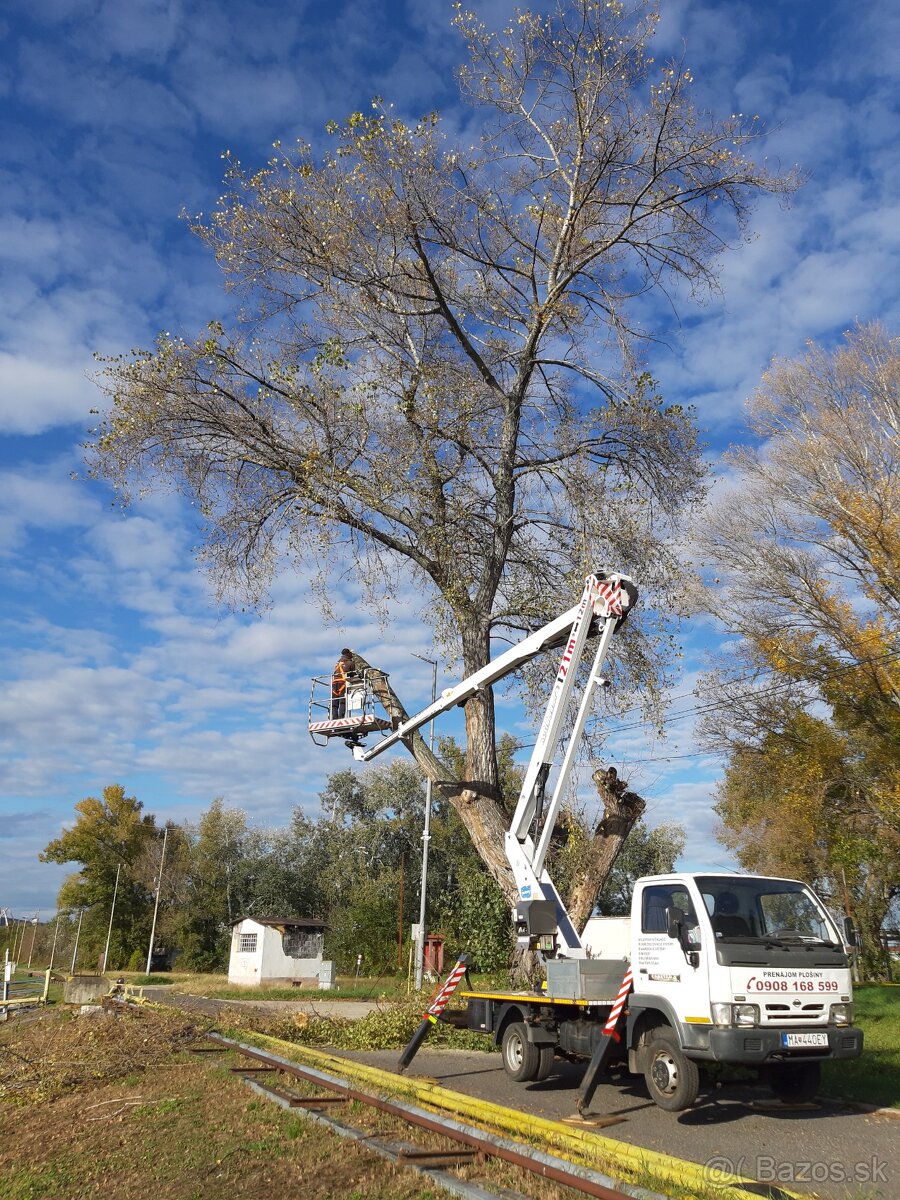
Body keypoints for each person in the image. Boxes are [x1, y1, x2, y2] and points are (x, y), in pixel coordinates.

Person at [331, 648, 355, 719]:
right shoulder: (350, 663)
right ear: (348, 654)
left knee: (334, 702)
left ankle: (334, 718)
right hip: (342, 683)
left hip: (334, 683)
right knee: (342, 701)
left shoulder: (338, 663)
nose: (352, 655)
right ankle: (341, 717)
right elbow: (352, 675)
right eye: (351, 654)